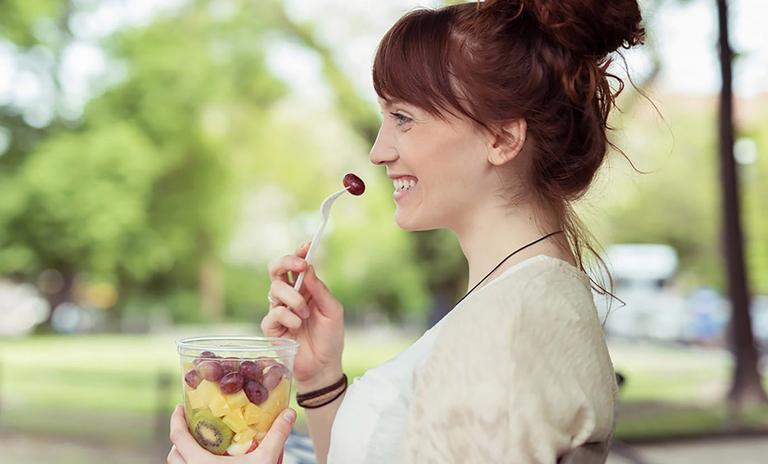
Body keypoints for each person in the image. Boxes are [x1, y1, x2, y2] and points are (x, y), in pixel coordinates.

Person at [168, 0, 645, 462]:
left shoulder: (511, 326)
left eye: (402, 118)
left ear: (501, 139)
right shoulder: (514, 302)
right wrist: (319, 378)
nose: (378, 151)